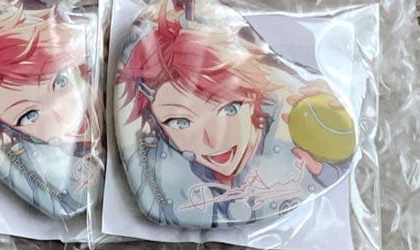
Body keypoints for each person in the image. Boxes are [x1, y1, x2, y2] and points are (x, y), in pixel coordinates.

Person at [115, 0, 354, 227]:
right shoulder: (156, 171)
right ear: (157, 122)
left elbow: (332, 167)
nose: (212, 140)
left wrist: (329, 156)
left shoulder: (287, 140)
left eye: (229, 109)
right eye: (180, 122)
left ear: (253, 97)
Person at [0, 0, 97, 217]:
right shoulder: (39, 168)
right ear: (5, 126)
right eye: (30, 115)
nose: (61, 117)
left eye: (60, 81)